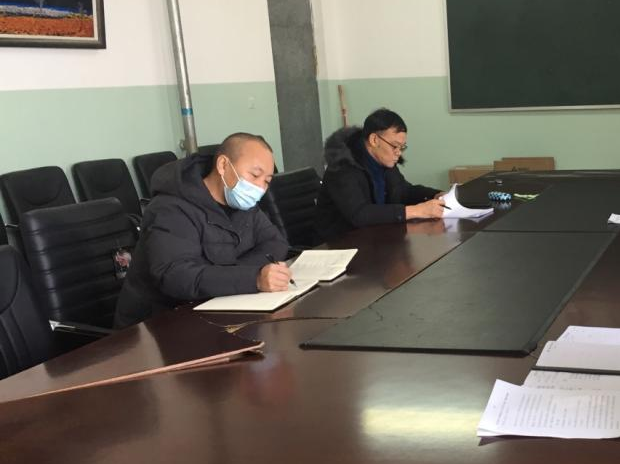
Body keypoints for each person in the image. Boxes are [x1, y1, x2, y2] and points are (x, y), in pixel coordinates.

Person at [114, 133, 290, 328]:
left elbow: (275, 242)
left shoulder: (243, 203)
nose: (260, 188)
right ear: (223, 165)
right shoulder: (170, 208)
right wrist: (253, 278)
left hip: (217, 311)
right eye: (255, 175)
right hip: (156, 326)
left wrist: (238, 276)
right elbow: (175, 275)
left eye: (267, 181)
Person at [314, 108, 445, 240]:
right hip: (339, 244)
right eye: (394, 146)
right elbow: (359, 214)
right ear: (374, 140)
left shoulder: (383, 161)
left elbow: (404, 191)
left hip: (373, 238)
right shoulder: (342, 166)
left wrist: (436, 195)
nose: (398, 153)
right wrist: (417, 211)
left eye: (402, 147)